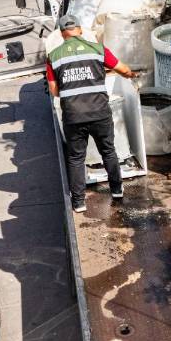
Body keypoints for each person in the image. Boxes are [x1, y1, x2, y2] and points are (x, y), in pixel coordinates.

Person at [46, 14, 137, 213]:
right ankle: (117, 189)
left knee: (76, 158)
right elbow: (122, 69)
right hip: (99, 112)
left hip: (73, 115)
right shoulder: (97, 49)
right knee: (108, 151)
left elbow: (53, 90)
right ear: (79, 30)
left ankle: (78, 202)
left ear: (62, 34)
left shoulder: (53, 56)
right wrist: (131, 74)